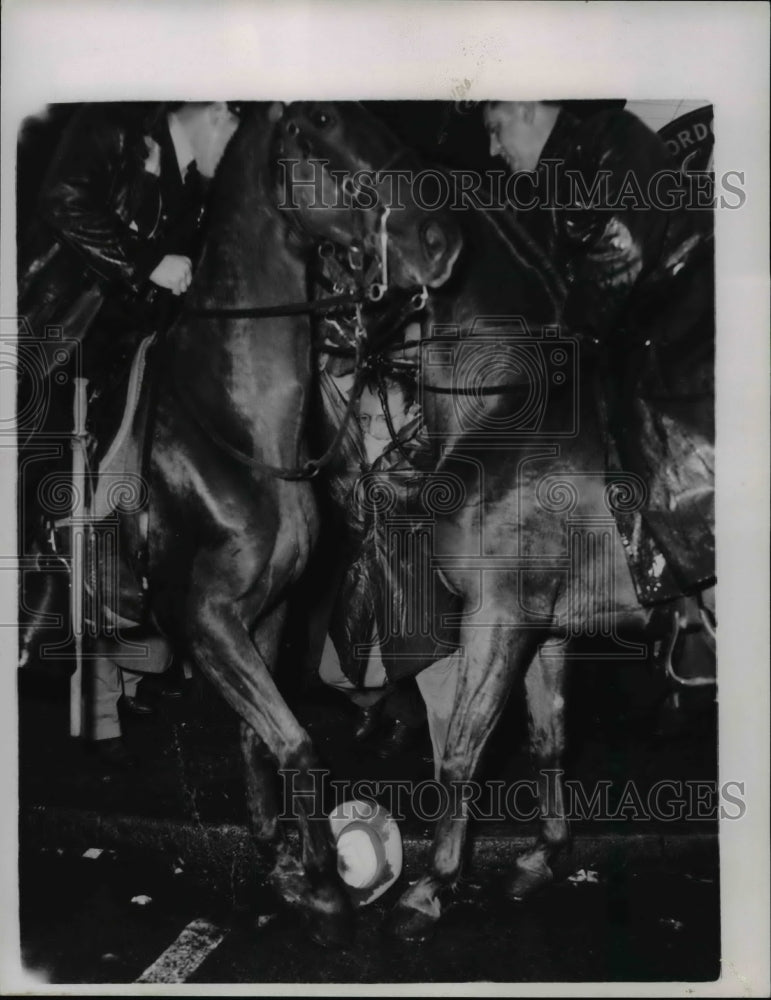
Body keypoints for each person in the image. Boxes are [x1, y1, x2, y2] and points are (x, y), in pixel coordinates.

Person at [17, 101, 241, 767]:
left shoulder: (193, 188)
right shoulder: (111, 129)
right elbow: (62, 198)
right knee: (45, 473)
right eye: (238, 132)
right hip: (54, 337)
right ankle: (37, 620)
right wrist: (146, 261)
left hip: (125, 352)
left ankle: (114, 678)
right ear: (218, 111)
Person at [483, 100, 715, 599]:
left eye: (496, 129)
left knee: (653, 433)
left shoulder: (609, 136)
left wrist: (565, 343)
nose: (492, 148)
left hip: (686, 324)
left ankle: (702, 592)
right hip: (641, 334)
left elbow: (621, 248)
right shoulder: (549, 185)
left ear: (524, 109)